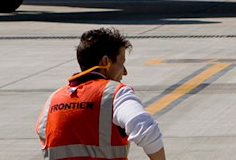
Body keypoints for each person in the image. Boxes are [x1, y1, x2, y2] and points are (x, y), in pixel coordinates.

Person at [37, 27, 166, 159]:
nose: (125, 72)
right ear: (106, 62)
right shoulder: (114, 93)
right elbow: (147, 131)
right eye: (122, 63)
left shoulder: (52, 100)